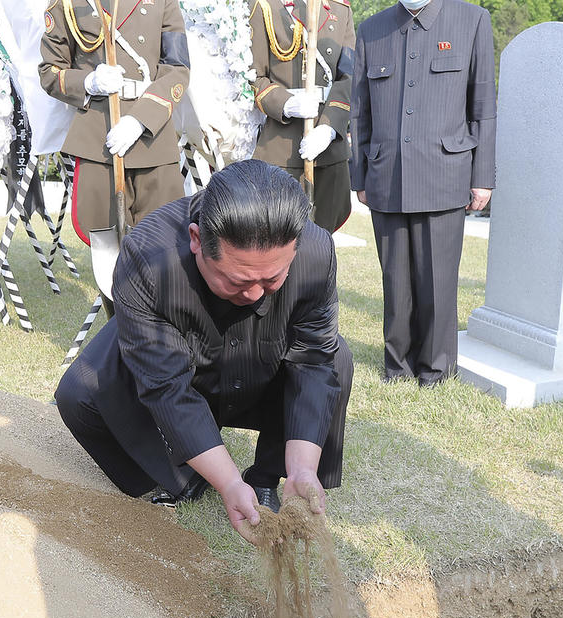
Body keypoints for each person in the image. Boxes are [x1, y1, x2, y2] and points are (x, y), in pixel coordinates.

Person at [54, 160, 354, 541]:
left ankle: (266, 477)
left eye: (272, 278)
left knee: (337, 359)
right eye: (238, 281)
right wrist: (227, 482)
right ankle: (184, 476)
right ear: (197, 239)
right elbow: (165, 386)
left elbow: (314, 359)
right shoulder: (147, 257)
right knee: (80, 393)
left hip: (262, 362)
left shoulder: (316, 252)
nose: (255, 295)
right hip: (177, 354)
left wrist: (302, 470)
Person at [350, 0, 496, 386]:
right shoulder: (372, 29)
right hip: (387, 175)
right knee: (395, 282)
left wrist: (482, 176)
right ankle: (397, 366)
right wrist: (360, 175)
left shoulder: (472, 20)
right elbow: (359, 110)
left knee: (437, 281)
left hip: (444, 173)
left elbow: (482, 105)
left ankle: (436, 368)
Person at [39, 0, 190, 246]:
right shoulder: (67, 2)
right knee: (106, 244)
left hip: (153, 135)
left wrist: (141, 119)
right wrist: (89, 82)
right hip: (99, 138)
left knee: (164, 243)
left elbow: (178, 67)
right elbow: (50, 72)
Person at [247, 0, 356, 233]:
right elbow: (253, 77)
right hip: (281, 150)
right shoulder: (265, 6)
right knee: (279, 239)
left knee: (323, 242)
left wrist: (329, 128)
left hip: (330, 148)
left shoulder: (340, 9)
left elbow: (349, 77)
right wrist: (286, 104)